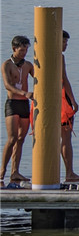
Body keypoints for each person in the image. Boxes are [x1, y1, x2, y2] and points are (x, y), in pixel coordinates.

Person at [1, 36, 34, 183]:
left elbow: (40, 77)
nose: (24, 52)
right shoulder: (7, 65)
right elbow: (7, 85)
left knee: (21, 139)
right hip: (13, 103)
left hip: (24, 105)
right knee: (12, 138)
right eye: (21, 50)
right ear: (14, 49)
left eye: (26, 49)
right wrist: (24, 93)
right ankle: (3, 170)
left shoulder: (28, 65)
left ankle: (15, 171)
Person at [60, 30, 79, 182]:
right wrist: (72, 100)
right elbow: (63, 79)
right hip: (59, 100)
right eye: (63, 42)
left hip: (59, 98)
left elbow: (64, 79)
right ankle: (68, 172)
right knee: (65, 137)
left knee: (64, 137)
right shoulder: (55, 56)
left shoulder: (57, 56)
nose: (65, 45)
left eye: (66, 43)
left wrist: (72, 100)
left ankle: (68, 172)